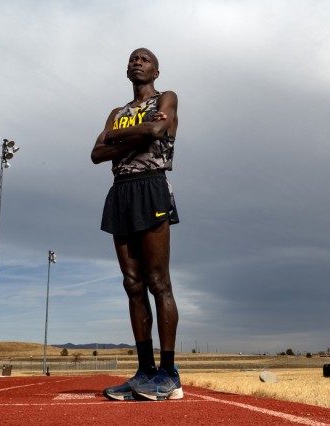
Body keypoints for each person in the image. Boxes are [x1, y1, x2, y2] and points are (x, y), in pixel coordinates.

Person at [91, 47, 182, 401]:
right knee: (132, 283)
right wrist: (136, 133)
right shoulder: (117, 112)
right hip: (121, 192)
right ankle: (145, 371)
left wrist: (118, 135)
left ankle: (169, 373)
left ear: (156, 71)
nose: (136, 62)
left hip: (151, 185)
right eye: (132, 59)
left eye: (143, 59)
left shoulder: (167, 97)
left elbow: (159, 129)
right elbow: (96, 153)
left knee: (158, 281)